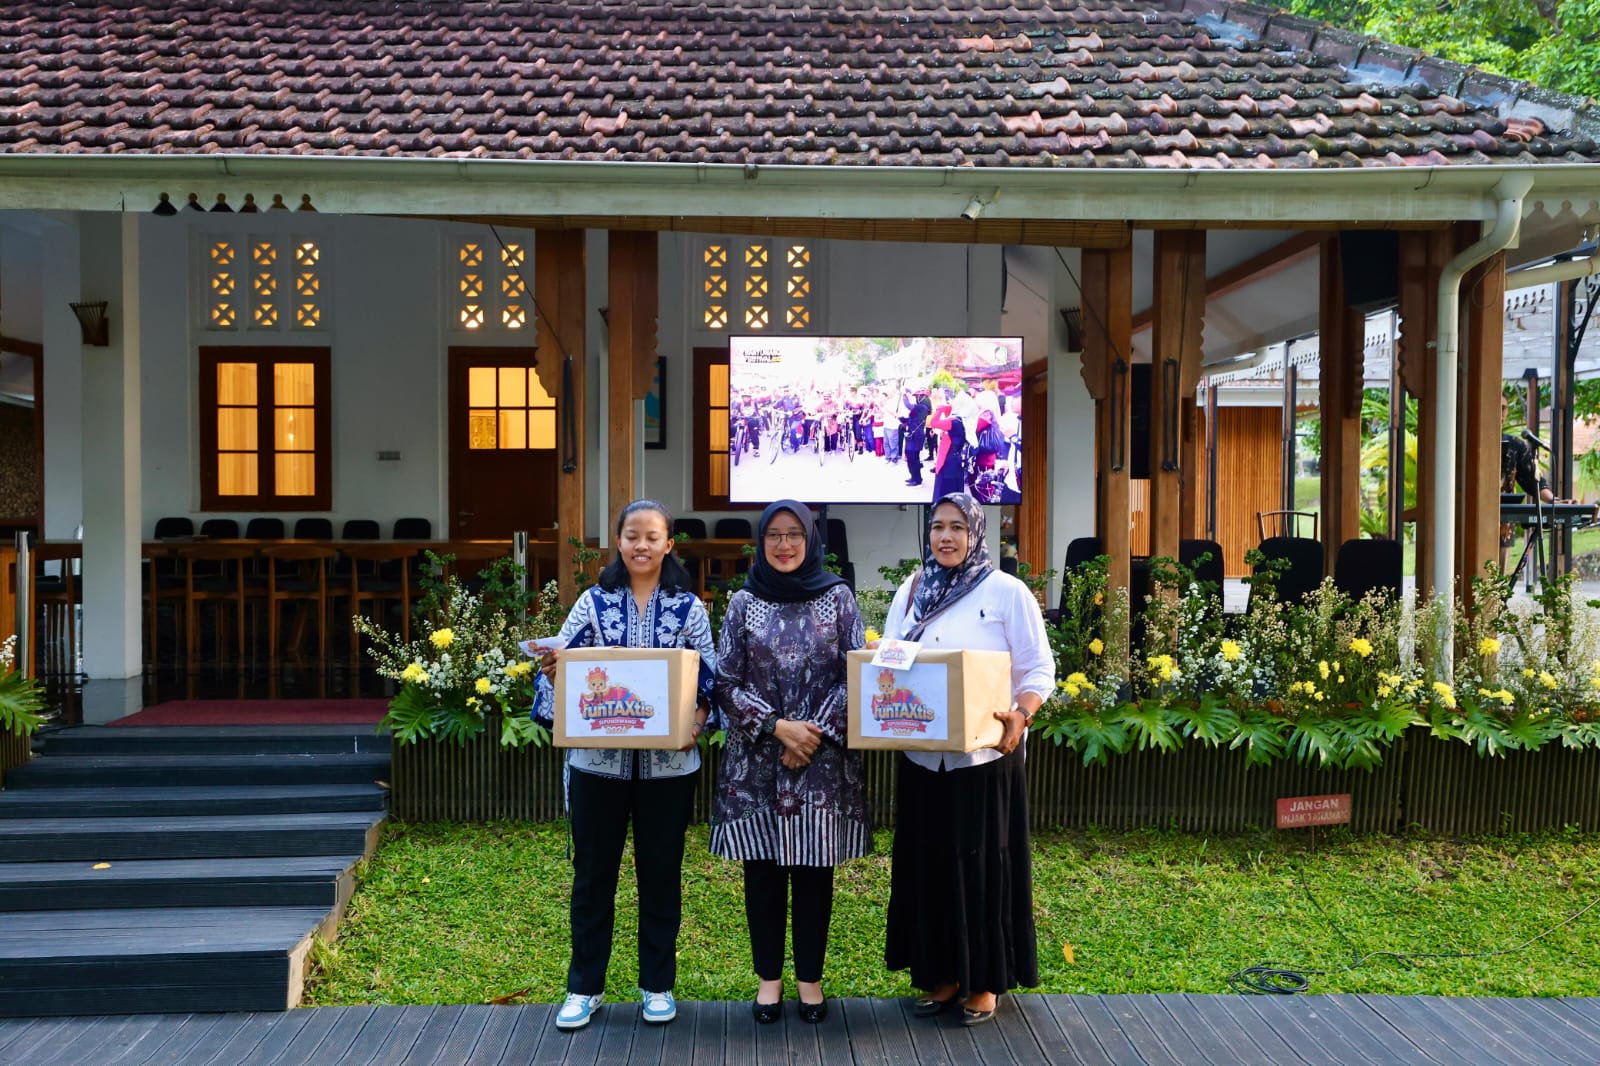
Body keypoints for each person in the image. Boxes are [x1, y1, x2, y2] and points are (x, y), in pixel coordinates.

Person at [533, 499, 716, 1032]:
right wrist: (552, 669)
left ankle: (657, 985)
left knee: (661, 875)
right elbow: (559, 664)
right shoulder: (592, 603)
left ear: (668, 545)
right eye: (632, 535)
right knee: (593, 877)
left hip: (668, 770)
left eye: (652, 537)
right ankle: (583, 987)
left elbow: (712, 675)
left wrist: (698, 720)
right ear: (618, 542)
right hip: (597, 766)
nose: (641, 545)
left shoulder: (689, 609)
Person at [880, 493, 1054, 1027]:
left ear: (976, 532)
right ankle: (943, 976)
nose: (946, 537)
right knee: (929, 866)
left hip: (983, 757)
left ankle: (984, 982)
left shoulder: (1005, 591)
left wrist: (1022, 715)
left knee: (982, 867)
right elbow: (888, 656)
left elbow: (1038, 669)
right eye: (937, 527)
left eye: (957, 526)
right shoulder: (913, 589)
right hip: (921, 754)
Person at [713, 500, 869, 1026]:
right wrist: (778, 727)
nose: (784, 545)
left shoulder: (838, 597)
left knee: (813, 873)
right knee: (762, 873)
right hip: (757, 762)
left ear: (811, 540)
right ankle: (768, 982)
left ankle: (810, 982)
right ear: (761, 542)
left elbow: (855, 674)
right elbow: (725, 682)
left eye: (794, 534)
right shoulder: (743, 602)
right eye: (774, 535)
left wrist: (810, 734)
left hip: (820, 764)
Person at [904, 389, 932, 486]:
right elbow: (911, 420)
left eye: (917, 396)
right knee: (910, 457)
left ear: (922, 397)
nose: (916, 398)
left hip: (916, 436)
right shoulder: (920, 407)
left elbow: (908, 405)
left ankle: (917, 479)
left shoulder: (922, 407)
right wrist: (901, 418)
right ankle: (914, 477)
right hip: (913, 435)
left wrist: (904, 395)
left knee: (913, 458)